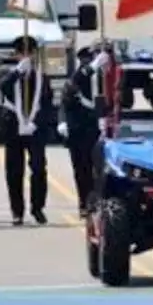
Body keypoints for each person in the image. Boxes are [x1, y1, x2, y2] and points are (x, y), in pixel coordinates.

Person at [0, 36, 55, 225]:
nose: (25, 56)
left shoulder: (41, 77)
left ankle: (38, 207)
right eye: (21, 53)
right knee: (14, 171)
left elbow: (47, 105)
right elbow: (4, 87)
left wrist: (36, 123)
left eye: (29, 52)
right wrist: (17, 72)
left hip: (35, 129)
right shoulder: (8, 73)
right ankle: (17, 211)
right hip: (13, 127)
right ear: (15, 55)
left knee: (39, 168)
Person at [60, 45, 109, 215]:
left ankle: (100, 202)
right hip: (80, 130)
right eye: (87, 59)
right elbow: (68, 97)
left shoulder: (104, 76)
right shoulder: (78, 77)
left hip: (100, 129)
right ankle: (85, 203)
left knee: (101, 170)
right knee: (82, 170)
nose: (89, 62)